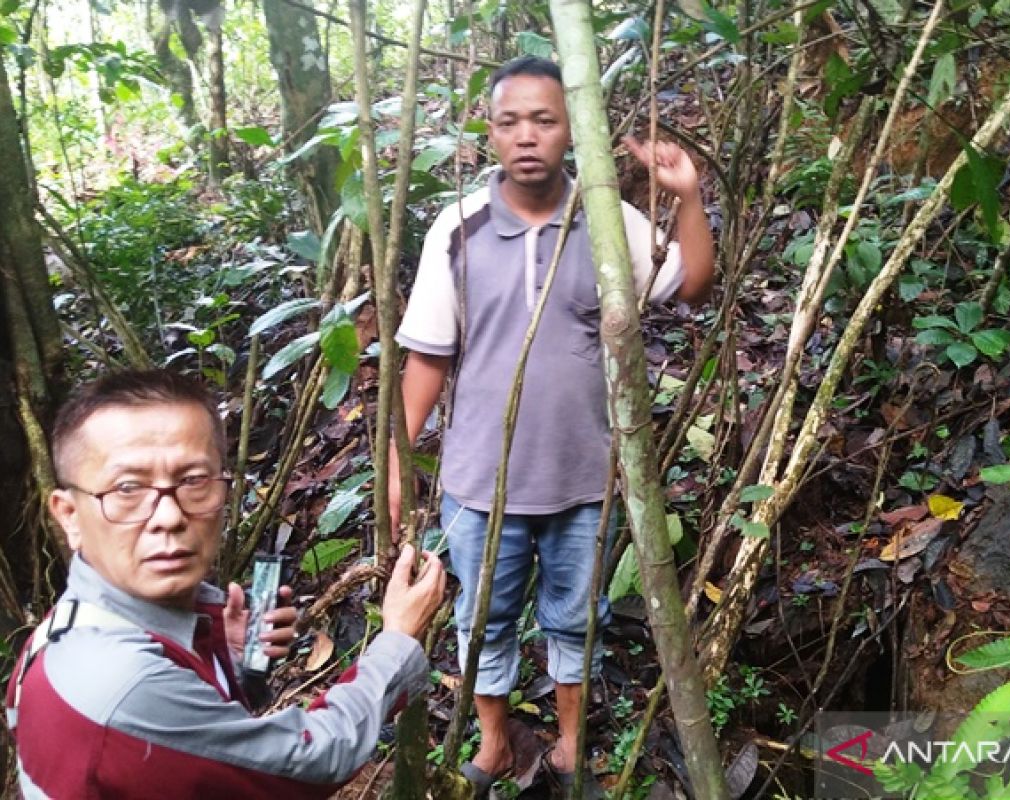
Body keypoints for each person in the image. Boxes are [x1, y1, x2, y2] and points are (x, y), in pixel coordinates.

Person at [390, 55, 714, 796]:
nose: (527, 137)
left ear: (573, 130)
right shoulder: (459, 230)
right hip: (481, 482)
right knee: (482, 621)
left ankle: (571, 746)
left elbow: (692, 286)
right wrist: (395, 461)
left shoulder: (607, 223)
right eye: (510, 122)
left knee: (577, 620)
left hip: (584, 479)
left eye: (544, 120)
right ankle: (497, 742)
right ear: (491, 134)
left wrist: (687, 199)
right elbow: (427, 359)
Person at [6, 369, 446, 798]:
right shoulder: (122, 684)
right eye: (127, 489)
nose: (169, 517)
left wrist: (228, 665)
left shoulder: (59, 633)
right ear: (68, 515)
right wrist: (397, 639)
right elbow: (315, 760)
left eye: (194, 481)